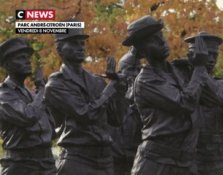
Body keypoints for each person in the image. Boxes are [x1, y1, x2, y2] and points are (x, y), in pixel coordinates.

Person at [122, 15, 208, 175]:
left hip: (185, 163)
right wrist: (199, 68)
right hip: (157, 164)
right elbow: (185, 104)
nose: (162, 42)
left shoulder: (178, 71)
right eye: (154, 40)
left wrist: (196, 68)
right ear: (141, 52)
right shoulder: (146, 80)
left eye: (161, 36)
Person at [44, 20, 126, 175]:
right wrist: (110, 90)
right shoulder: (56, 84)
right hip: (78, 161)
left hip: (105, 161)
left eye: (82, 43)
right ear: (59, 48)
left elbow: (116, 119)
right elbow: (86, 114)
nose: (80, 47)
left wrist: (120, 88)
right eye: (74, 43)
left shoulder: (96, 81)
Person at [183, 32, 223, 175]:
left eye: (214, 56)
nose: (211, 59)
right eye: (206, 55)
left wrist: (221, 99)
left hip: (219, 161)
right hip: (188, 160)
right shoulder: (180, 83)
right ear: (190, 56)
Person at [0, 37, 56, 175]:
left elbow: (52, 129)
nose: (27, 61)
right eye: (20, 58)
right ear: (7, 64)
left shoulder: (32, 94)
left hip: (46, 163)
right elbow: (27, 116)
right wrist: (42, 90)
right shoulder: (3, 94)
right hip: (21, 165)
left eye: (27, 57)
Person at [109, 47, 142, 175]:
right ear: (120, 72)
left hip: (137, 162)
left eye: (139, 69)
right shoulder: (109, 97)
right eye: (131, 69)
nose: (136, 73)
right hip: (113, 163)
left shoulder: (147, 99)